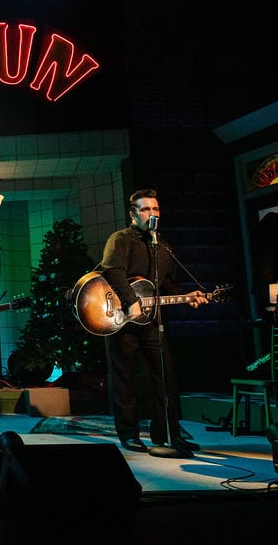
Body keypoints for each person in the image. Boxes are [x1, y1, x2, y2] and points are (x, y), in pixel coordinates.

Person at [99, 188, 207, 457]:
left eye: (156, 209)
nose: (152, 214)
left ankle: (167, 432)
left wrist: (187, 297)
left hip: (152, 322)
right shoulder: (120, 239)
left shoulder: (163, 246)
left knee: (165, 377)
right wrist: (129, 300)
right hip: (123, 320)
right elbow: (113, 270)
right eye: (146, 209)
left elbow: (167, 284)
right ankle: (129, 434)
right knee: (125, 379)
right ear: (133, 214)